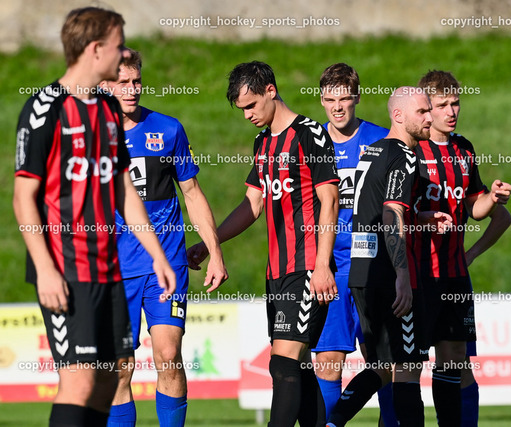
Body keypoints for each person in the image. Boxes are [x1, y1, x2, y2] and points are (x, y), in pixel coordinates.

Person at [13, 8, 176, 427]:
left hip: (111, 271)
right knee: (80, 382)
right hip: (66, 272)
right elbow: (23, 198)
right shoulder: (44, 107)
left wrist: (156, 254)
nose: (124, 52)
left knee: (110, 379)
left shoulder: (106, 112)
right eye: (119, 43)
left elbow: (124, 189)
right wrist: (46, 271)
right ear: (97, 48)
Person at [188, 61, 339, 427]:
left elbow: (330, 200)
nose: (247, 115)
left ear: (271, 90)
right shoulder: (263, 142)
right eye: (242, 109)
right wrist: (211, 243)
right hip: (277, 271)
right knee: (298, 369)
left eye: (251, 105)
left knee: (282, 361)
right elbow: (252, 204)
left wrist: (321, 265)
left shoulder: (309, 134)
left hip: (307, 266)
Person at [100, 50, 227, 427]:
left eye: (136, 81)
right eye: (122, 82)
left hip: (165, 263)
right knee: (119, 368)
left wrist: (215, 252)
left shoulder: (168, 129)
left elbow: (191, 192)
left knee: (168, 355)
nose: (132, 89)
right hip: (113, 268)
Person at [328, 87, 448, 427]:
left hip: (362, 273)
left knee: (380, 367)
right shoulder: (405, 156)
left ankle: (332, 422)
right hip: (389, 274)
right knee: (408, 368)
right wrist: (403, 276)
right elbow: (391, 212)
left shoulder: (373, 151)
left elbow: (373, 206)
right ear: (398, 116)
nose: (430, 118)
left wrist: (420, 218)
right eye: (423, 112)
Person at [412, 70, 511, 426]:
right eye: (442, 105)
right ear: (426, 108)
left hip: (454, 276)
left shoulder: (464, 148)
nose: (451, 111)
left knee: (455, 360)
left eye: (456, 103)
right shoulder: (410, 149)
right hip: (417, 275)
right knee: (405, 365)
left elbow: (474, 208)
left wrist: (493, 198)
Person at [312, 63, 397, 426]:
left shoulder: (382, 140)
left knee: (385, 362)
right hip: (328, 267)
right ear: (321, 100)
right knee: (328, 360)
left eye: (345, 98)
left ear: (357, 97)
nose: (338, 107)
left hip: (374, 265)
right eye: (330, 99)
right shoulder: (312, 143)